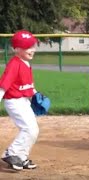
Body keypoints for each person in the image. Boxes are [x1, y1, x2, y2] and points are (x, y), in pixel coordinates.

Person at [0, 30, 39, 170]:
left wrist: (35, 94)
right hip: (14, 102)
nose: (32, 49)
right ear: (16, 49)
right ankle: (11, 153)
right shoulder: (14, 64)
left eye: (33, 46)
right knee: (28, 128)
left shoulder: (26, 63)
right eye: (27, 47)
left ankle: (21, 157)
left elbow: (28, 83)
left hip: (24, 101)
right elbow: (4, 84)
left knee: (33, 130)